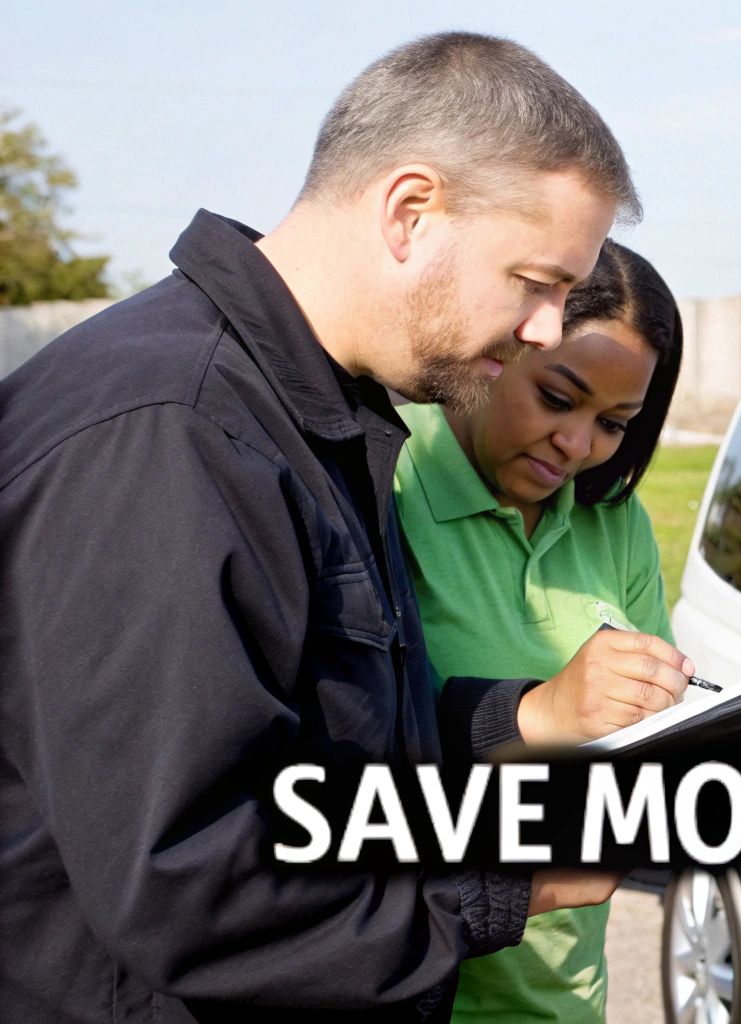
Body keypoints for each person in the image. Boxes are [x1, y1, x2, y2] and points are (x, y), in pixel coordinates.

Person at [0, 33, 688, 1023]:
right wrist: (509, 879)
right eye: (534, 281)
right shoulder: (173, 434)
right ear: (410, 211)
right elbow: (197, 881)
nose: (545, 326)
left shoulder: (313, 421)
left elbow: (335, 745)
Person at [395, 241, 682, 1022]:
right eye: (559, 398)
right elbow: (347, 742)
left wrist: (717, 744)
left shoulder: (613, 522)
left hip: (564, 993)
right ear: (498, 350)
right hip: (425, 992)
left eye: (615, 423)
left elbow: (645, 734)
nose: (579, 445)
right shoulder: (385, 478)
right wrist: (542, 713)